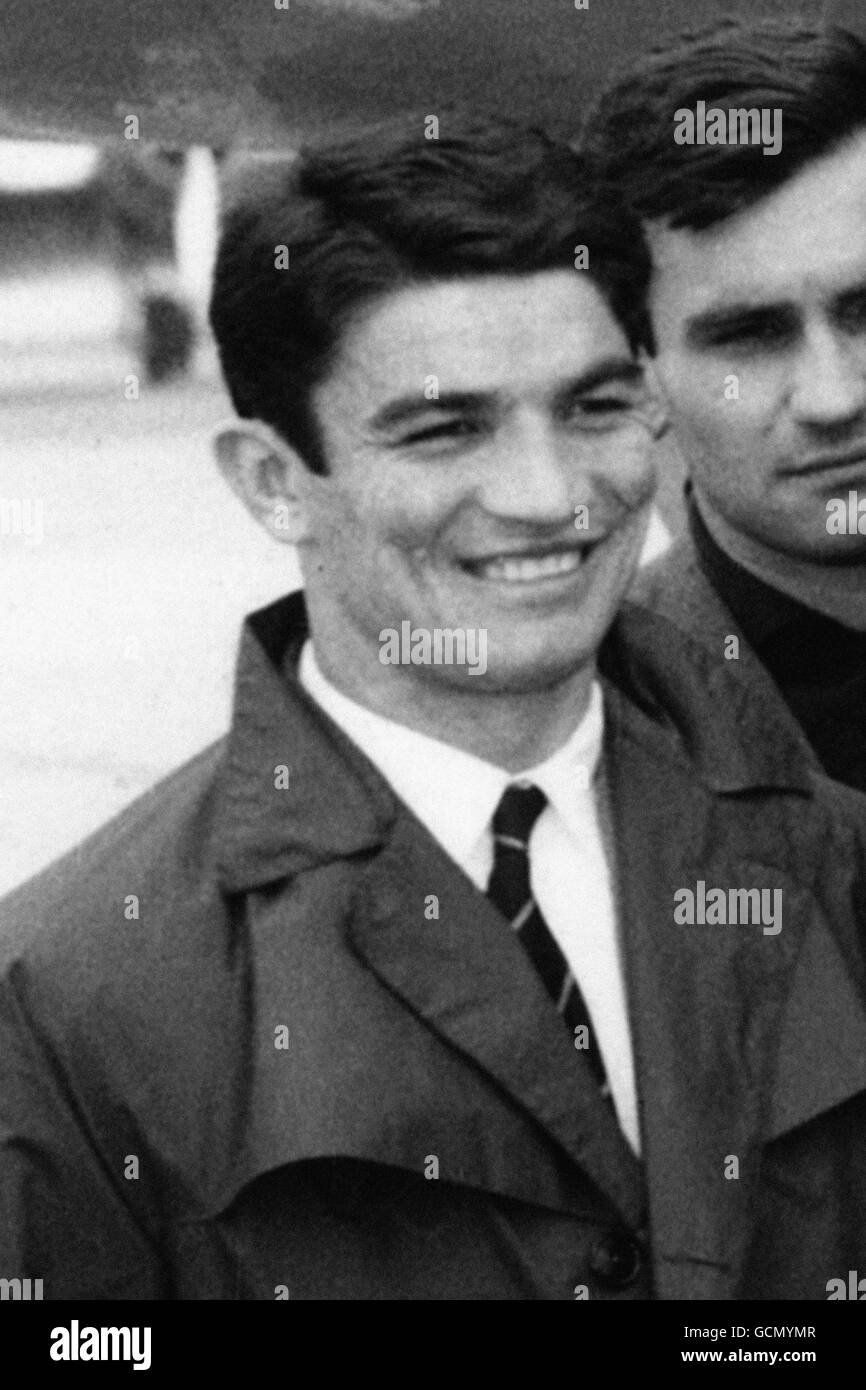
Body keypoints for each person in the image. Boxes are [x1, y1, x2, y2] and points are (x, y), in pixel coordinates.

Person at [2, 113, 866, 1302]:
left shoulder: (831, 857)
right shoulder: (64, 1005)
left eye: (593, 407)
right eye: (443, 427)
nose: (546, 493)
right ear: (271, 480)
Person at [584, 16, 866, 794]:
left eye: (865, 310)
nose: (834, 397)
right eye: (750, 335)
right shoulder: (575, 731)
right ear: (638, 377)